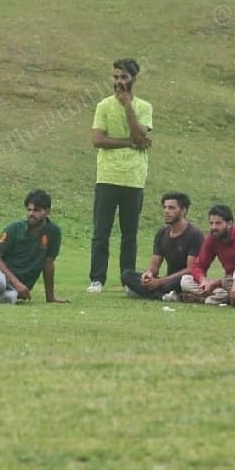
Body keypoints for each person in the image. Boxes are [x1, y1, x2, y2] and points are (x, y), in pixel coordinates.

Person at [87, 58, 152, 294]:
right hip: (107, 176)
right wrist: (130, 143)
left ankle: (128, 279)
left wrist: (127, 106)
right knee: (101, 232)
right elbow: (97, 140)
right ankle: (97, 279)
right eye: (115, 77)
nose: (119, 82)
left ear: (134, 78)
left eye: (123, 77)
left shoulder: (144, 107)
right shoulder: (103, 105)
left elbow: (142, 135)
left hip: (134, 178)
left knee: (129, 233)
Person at [121, 192, 204, 301]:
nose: (166, 211)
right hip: (166, 280)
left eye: (171, 208)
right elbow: (155, 266)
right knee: (127, 275)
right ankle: (163, 296)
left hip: (185, 279)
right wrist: (148, 274)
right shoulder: (162, 233)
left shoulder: (194, 234)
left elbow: (190, 269)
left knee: (180, 282)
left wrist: (159, 282)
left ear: (183, 211)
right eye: (165, 207)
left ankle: (150, 293)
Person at [180, 205, 235, 305]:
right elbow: (199, 266)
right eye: (211, 223)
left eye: (218, 223)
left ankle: (207, 298)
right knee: (185, 280)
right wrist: (203, 280)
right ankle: (219, 297)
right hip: (225, 284)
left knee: (229, 283)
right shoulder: (212, 238)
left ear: (229, 224)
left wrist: (217, 283)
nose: (213, 227)